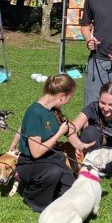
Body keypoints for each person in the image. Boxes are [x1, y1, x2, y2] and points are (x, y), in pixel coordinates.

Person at [16, 74, 89, 212]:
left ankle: (51, 193)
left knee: (73, 192)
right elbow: (36, 153)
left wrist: (80, 145)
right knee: (53, 172)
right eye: (69, 98)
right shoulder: (34, 113)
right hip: (30, 163)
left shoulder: (55, 110)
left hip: (52, 158)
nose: (68, 101)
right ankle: (32, 197)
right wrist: (58, 134)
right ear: (62, 96)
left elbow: (68, 131)